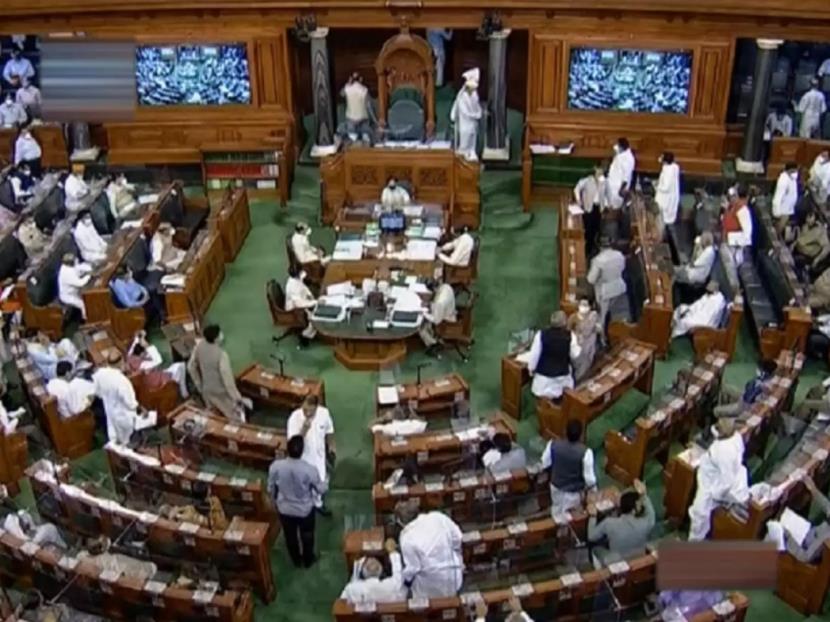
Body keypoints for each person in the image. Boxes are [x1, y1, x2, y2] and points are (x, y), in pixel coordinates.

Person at [267, 435, 327, 568]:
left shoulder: (276, 466)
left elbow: (271, 487)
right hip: (304, 510)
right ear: (302, 451)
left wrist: (273, 501)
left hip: (284, 509)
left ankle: (296, 560)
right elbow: (321, 490)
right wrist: (325, 482)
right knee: (307, 535)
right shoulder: (309, 469)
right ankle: (308, 560)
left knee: (290, 536)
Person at [687, 415, 749, 541]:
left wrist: (715, 494)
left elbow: (727, 481)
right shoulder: (734, 436)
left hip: (712, 485)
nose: (720, 424)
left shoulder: (726, 451)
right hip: (710, 475)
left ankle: (694, 541)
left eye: (724, 423)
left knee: (699, 513)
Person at [395, 500, 463, 598]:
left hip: (430, 588)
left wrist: (404, 582)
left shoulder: (406, 537)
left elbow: (413, 567)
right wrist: (456, 557)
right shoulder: (438, 517)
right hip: (455, 578)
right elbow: (458, 537)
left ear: (399, 521)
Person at [187, 324, 252, 420]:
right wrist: (237, 398)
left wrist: (199, 385)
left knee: (214, 417)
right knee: (236, 419)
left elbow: (190, 366)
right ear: (216, 338)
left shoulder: (199, 346)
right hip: (222, 395)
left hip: (207, 392)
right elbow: (228, 381)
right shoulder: (221, 355)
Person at [588, 479, 655, 565]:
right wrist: (644, 495)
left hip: (618, 563)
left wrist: (593, 516)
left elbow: (591, 536)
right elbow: (651, 513)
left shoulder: (609, 523)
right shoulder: (646, 522)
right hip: (639, 560)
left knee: (594, 547)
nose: (641, 507)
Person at [287, 395, 335, 515]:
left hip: (319, 458)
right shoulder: (294, 418)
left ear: (316, 408)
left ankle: (318, 504)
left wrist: (332, 447)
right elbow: (293, 444)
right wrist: (304, 429)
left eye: (311, 411)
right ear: (302, 404)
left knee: (320, 483)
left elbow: (329, 431)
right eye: (305, 410)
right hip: (303, 459)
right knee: (303, 485)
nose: (308, 413)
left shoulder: (324, 413)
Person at [765, 475, 830, 563]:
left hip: (801, 547)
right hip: (808, 531)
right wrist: (813, 488)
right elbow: (826, 505)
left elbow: (805, 557)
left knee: (773, 530)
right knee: (781, 512)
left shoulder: (826, 540)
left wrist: (787, 537)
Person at [541, 419, 598, 515]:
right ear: (581, 435)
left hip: (556, 487)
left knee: (556, 509)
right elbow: (590, 480)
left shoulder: (553, 444)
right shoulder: (586, 452)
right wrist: (594, 491)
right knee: (570, 515)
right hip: (573, 493)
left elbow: (544, 463)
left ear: (565, 431)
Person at [92, 351, 150, 446]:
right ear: (121, 362)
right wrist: (142, 409)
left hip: (110, 412)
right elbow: (130, 403)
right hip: (124, 415)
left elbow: (98, 393)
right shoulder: (122, 380)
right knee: (131, 439)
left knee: (117, 438)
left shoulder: (99, 374)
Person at [526, 311, 581, 400]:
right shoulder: (571, 336)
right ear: (565, 322)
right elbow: (575, 355)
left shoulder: (541, 334)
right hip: (562, 381)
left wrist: (531, 369)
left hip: (543, 381)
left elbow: (534, 356)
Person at [340, 538, 407, 605]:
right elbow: (398, 575)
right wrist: (393, 552)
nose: (372, 560)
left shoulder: (351, 589)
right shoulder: (394, 586)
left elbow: (341, 605)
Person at [126, 330, 189, 398]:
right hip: (154, 382)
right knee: (181, 365)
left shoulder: (129, 357)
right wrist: (146, 345)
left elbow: (133, 346)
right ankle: (183, 392)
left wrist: (140, 337)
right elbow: (158, 360)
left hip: (149, 378)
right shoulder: (141, 365)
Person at [587, 236, 628, 328]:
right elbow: (623, 268)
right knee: (619, 315)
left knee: (602, 317)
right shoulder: (619, 255)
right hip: (620, 288)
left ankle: (603, 335)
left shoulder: (598, 260)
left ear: (599, 246)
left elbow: (591, 279)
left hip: (605, 292)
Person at [450, 68, 482, 161]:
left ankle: (472, 153)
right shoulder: (462, 98)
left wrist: (479, 112)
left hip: (473, 124)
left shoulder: (475, 95)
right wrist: (476, 115)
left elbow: (477, 106)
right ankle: (463, 156)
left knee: (472, 140)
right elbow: (465, 112)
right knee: (465, 141)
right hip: (465, 124)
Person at [573, 166, 606, 256]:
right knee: (588, 228)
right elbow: (576, 189)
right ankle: (585, 249)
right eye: (598, 173)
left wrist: (605, 205)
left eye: (601, 173)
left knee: (596, 228)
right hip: (588, 207)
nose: (600, 175)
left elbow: (605, 194)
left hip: (598, 208)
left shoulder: (603, 182)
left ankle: (591, 248)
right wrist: (579, 200)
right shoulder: (587, 180)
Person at [419, 278, 456, 355]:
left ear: (434, 289)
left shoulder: (439, 302)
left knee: (421, 328)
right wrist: (429, 304)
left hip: (446, 322)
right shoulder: (445, 286)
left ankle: (433, 344)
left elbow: (436, 321)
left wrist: (423, 314)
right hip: (450, 311)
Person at [567, 299, 601, 382]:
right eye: (582, 305)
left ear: (589, 307)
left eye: (586, 305)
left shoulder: (592, 317)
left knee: (586, 365)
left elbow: (596, 330)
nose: (583, 307)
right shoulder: (573, 317)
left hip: (588, 347)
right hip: (576, 348)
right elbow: (568, 330)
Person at [285, 266, 318, 343]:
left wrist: (310, 295)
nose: (302, 273)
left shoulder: (296, 279)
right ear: (297, 274)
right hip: (294, 307)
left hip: (302, 300)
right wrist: (315, 302)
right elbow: (299, 304)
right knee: (314, 316)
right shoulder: (292, 286)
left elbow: (303, 287)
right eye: (300, 272)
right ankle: (305, 335)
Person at [721, 185, 753, 266]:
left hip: (737, 249)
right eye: (729, 197)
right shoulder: (729, 208)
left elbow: (747, 234)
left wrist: (729, 237)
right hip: (727, 246)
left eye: (734, 196)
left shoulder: (742, 209)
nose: (731, 199)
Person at [794, 210, 830, 275]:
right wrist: (794, 244)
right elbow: (800, 239)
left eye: (810, 217)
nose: (808, 220)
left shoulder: (820, 232)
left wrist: (817, 259)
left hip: (807, 257)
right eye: (807, 217)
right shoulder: (806, 226)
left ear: (816, 220)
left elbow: (827, 247)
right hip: (797, 250)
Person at [57, 253, 92, 319]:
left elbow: (79, 267)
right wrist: (89, 275)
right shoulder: (66, 273)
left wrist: (89, 269)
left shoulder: (70, 266)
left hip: (75, 292)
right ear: (70, 263)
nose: (76, 261)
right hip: (68, 296)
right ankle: (87, 319)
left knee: (88, 298)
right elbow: (80, 283)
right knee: (83, 304)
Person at [606, 138, 635, 210]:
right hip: (611, 185)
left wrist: (621, 190)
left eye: (617, 145)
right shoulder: (620, 153)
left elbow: (626, 177)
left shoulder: (628, 159)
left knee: (614, 208)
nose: (615, 146)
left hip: (617, 188)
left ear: (622, 147)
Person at [772, 162, 800, 235]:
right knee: (780, 226)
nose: (796, 172)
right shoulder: (783, 180)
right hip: (783, 210)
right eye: (794, 170)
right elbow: (778, 197)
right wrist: (777, 211)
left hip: (789, 208)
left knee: (784, 225)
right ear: (790, 170)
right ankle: (776, 236)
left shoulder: (792, 178)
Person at [341, 72, 370, 142]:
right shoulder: (364, 89)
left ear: (351, 79)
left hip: (351, 117)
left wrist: (348, 83)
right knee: (365, 138)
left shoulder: (347, 88)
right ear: (360, 79)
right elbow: (368, 104)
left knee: (352, 138)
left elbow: (341, 94)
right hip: (363, 117)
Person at [655, 152, 681, 227]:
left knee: (662, 218)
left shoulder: (668, 172)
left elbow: (665, 187)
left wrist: (657, 186)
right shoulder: (674, 167)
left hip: (665, 199)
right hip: (671, 197)